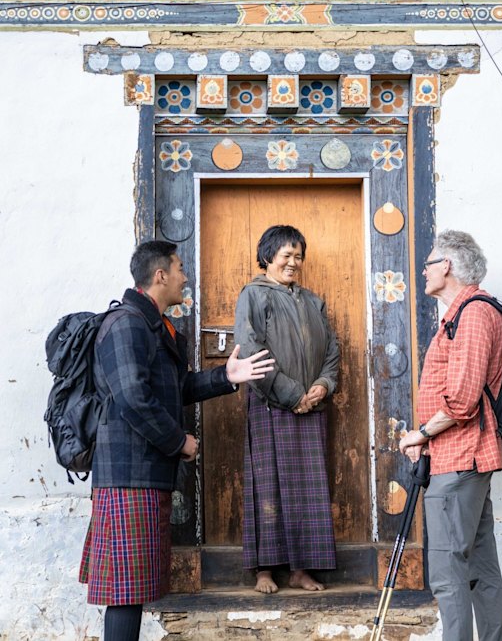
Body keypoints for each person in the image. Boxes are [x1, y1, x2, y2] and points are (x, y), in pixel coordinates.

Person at [79, 240, 274, 641]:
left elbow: (175, 388)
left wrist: (226, 376)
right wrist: (178, 441)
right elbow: (133, 399)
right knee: (125, 591)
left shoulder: (155, 325)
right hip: (126, 477)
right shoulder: (126, 324)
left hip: (145, 475)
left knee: (132, 589)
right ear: (160, 275)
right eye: (181, 268)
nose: (186, 277)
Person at [399, 230, 502, 641]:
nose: (423, 271)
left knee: (448, 575)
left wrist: (420, 435)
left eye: (428, 263)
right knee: (481, 571)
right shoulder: (464, 313)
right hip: (464, 460)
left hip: (460, 461)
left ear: (445, 265)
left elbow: (462, 401)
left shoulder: (475, 313)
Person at [234, 224, 339, 594]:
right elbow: (251, 351)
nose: (294, 262)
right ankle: (265, 569)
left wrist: (322, 386)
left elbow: (332, 350)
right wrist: (292, 394)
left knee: (308, 491)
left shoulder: (312, 301)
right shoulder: (254, 295)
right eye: (286, 255)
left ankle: (301, 569)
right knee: (268, 487)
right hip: (270, 406)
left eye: (298, 256)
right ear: (267, 257)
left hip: (312, 406)